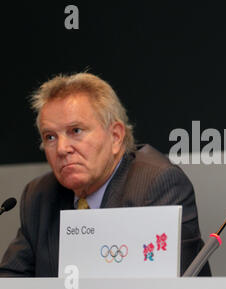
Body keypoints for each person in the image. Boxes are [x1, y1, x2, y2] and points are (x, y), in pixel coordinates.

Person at [0, 72, 210, 277]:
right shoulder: (39, 196)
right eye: (50, 137)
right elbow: (10, 280)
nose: (62, 148)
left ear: (116, 136)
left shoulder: (158, 185)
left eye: (76, 131)